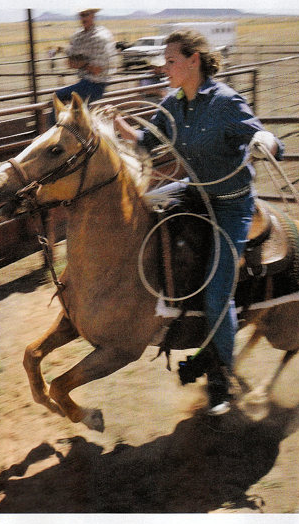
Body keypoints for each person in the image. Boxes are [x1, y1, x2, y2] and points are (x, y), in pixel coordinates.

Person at [114, 29, 283, 415]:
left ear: (194, 61)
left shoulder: (224, 102)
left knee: (217, 292)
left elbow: (264, 136)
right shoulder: (174, 103)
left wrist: (266, 142)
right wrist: (122, 128)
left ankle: (221, 380)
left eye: (171, 60)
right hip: (195, 193)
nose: (163, 66)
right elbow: (147, 142)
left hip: (230, 205)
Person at [55, 8, 115, 106]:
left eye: (86, 15)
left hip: (95, 85)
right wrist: (86, 64)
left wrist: (81, 63)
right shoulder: (79, 36)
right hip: (84, 83)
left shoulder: (100, 37)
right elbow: (70, 63)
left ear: (93, 15)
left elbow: (97, 70)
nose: (83, 18)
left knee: (58, 96)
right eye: (81, 15)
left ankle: (56, 122)